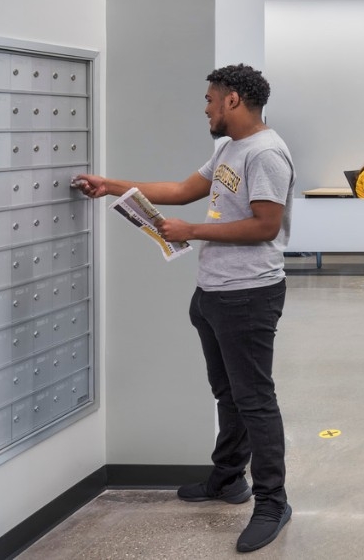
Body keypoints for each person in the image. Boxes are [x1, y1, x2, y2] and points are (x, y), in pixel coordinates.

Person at [73, 64, 295, 553]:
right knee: (227, 393)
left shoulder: (267, 154)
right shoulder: (226, 149)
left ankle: (273, 501)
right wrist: (111, 185)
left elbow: (265, 226)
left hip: (250, 294)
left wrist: (192, 230)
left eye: (211, 100)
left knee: (254, 398)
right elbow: (181, 191)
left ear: (233, 100)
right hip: (213, 292)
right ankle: (228, 478)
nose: (207, 108)